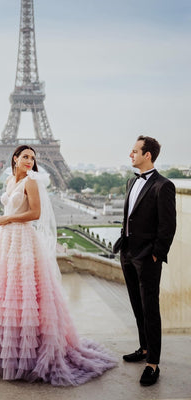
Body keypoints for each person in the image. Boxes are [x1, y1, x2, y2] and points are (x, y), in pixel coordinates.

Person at [0, 144, 117, 386]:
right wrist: (6, 220)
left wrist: (8, 218)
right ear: (15, 158)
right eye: (25, 156)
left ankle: (27, 354)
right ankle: (8, 353)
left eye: (32, 158)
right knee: (5, 294)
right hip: (5, 241)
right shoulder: (8, 182)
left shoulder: (32, 182)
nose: (29, 160)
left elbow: (35, 213)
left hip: (22, 239)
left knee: (24, 294)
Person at [113, 135, 176, 386]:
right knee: (137, 306)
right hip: (128, 253)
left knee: (150, 310)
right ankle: (144, 348)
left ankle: (153, 363)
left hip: (147, 257)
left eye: (135, 151)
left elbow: (168, 226)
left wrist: (156, 254)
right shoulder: (131, 181)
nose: (131, 155)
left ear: (147, 155)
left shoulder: (164, 185)